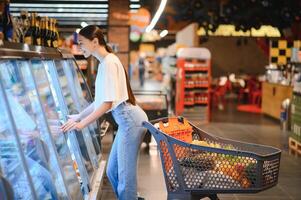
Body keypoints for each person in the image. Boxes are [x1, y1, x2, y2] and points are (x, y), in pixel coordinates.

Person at [61, 25, 148, 200]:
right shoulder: (106, 62)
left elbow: (106, 104)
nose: (79, 47)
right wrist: (79, 116)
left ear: (94, 42)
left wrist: (82, 124)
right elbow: (100, 100)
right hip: (128, 120)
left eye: (82, 43)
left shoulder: (108, 63)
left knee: (125, 177)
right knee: (113, 171)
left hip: (130, 121)